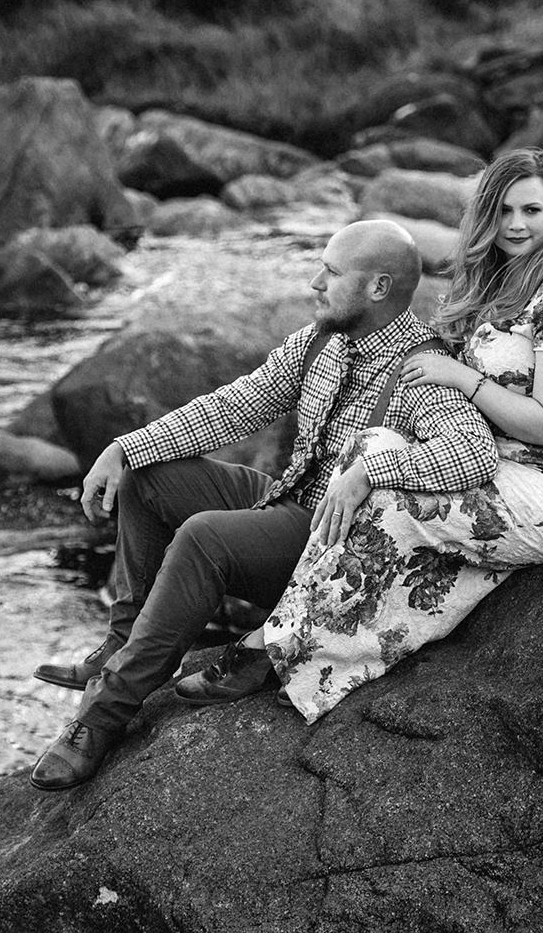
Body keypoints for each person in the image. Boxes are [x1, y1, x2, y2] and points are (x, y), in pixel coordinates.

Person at [28, 219, 499, 791]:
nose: (312, 282)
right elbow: (234, 407)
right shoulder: (320, 341)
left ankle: (102, 716)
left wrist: (370, 470)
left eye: (329, 272)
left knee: (204, 537)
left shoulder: (422, 371)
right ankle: (121, 645)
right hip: (284, 498)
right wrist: (123, 449)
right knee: (146, 475)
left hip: (328, 546)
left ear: (378, 288)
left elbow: (473, 453)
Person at [261, 147, 543, 723]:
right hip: (489, 461)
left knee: (393, 501)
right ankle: (285, 631)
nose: (516, 225)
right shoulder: (490, 282)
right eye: (502, 211)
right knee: (367, 450)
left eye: (532, 210)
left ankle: (315, 661)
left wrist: (464, 380)